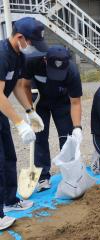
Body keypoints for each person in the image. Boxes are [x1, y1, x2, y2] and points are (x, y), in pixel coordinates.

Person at [0, 17, 47, 230]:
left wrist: (29, 111)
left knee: (9, 156)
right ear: (20, 37)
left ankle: (10, 201)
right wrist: (19, 122)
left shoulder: (18, 56)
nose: (32, 47)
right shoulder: (2, 55)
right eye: (31, 42)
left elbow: (18, 85)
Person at [21, 45, 83, 192]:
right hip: (40, 102)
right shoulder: (32, 62)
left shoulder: (72, 71)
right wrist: (29, 110)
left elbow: (75, 102)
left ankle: (70, 174)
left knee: (67, 137)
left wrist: (77, 127)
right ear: (44, 60)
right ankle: (43, 176)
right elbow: (25, 86)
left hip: (62, 102)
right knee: (40, 137)